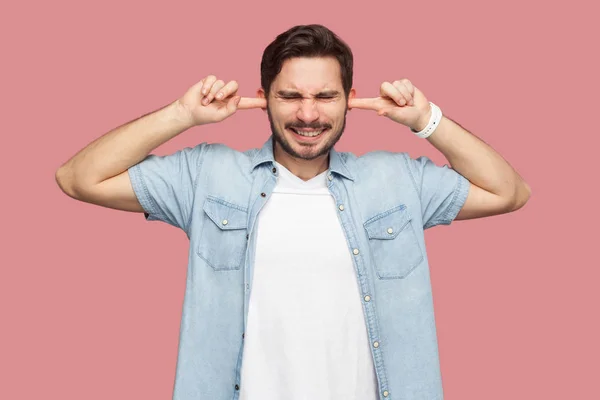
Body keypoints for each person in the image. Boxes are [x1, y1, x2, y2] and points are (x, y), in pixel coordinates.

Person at [56, 24, 531, 400]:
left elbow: (508, 192)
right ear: (264, 99)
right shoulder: (209, 176)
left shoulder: (396, 180)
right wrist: (181, 116)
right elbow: (78, 178)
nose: (308, 114)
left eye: (325, 96)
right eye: (290, 96)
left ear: (349, 99)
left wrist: (428, 122)